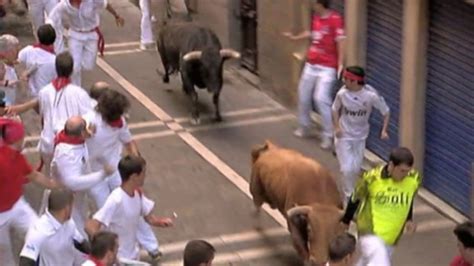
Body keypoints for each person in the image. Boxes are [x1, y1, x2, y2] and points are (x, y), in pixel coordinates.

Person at [340, 147, 421, 266]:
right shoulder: (372, 178)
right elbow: (355, 198)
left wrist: (409, 219)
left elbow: (409, 198)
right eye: (402, 171)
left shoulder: (414, 179)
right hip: (369, 232)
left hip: (392, 237)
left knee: (369, 261)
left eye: (408, 171)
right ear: (392, 165)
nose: (405, 175)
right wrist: (346, 220)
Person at [85, 155, 174, 261]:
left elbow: (149, 218)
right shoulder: (116, 199)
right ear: (134, 177)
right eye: (143, 173)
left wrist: (161, 222)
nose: (145, 176)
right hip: (120, 259)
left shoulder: (138, 194)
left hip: (133, 255)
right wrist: (106, 249)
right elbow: (91, 226)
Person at [283, 0, 345, 149]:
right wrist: (295, 37)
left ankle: (328, 135)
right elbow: (311, 33)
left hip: (327, 67)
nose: (311, 5)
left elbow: (342, 41)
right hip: (311, 64)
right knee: (303, 94)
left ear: (320, 4)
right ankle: (304, 126)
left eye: (314, 3)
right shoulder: (316, 17)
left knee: (321, 98)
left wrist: (341, 63)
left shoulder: (335, 19)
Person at [0, 118, 59, 266]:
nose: (24, 140)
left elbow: (33, 174)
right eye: (22, 137)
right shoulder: (6, 159)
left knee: (38, 234)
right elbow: (34, 175)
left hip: (16, 205)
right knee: (4, 254)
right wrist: (54, 185)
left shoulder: (17, 158)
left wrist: (53, 185)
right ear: (16, 139)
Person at [332, 66, 390, 205]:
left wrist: (384, 130)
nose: (344, 81)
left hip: (360, 137)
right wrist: (337, 127)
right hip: (344, 136)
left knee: (355, 169)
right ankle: (348, 200)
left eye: (346, 79)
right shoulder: (342, 94)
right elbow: (335, 109)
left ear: (354, 81)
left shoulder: (371, 96)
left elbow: (386, 111)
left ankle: (351, 193)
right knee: (347, 169)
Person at [52, 116, 114, 236]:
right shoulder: (68, 155)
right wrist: (102, 174)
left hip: (77, 191)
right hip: (68, 194)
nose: (88, 130)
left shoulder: (66, 134)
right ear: (80, 133)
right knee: (75, 224)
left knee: (82, 211)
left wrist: (88, 134)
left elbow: (57, 125)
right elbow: (72, 182)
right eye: (85, 129)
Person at [47, 0, 125, 86]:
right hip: (75, 35)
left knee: (89, 65)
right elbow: (53, 16)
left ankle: (74, 64)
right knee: (75, 67)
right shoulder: (64, 4)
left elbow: (106, 5)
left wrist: (116, 16)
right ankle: (76, 88)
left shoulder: (93, 1)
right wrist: (49, 26)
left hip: (91, 35)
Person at [19, 189, 91, 266]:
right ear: (66, 209)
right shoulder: (38, 232)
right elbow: (25, 261)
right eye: (72, 205)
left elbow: (81, 243)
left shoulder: (69, 223)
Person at [18, 24, 57, 99]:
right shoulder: (55, 60)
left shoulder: (28, 50)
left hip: (32, 95)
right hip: (48, 96)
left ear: (38, 38)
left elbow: (16, 60)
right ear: (54, 39)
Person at [0, 34, 20, 106]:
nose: (17, 54)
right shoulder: (2, 67)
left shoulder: (8, 63)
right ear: (6, 52)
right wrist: (6, 83)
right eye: (15, 51)